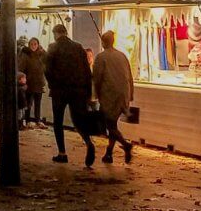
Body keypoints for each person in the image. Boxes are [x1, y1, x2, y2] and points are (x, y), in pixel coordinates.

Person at [44, 24, 96, 166]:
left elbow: (47, 70)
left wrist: (52, 84)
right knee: (78, 120)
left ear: (56, 34)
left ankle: (62, 153)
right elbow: (87, 71)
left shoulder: (53, 48)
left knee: (58, 122)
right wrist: (87, 92)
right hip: (78, 91)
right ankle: (88, 142)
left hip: (60, 91)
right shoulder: (78, 47)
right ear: (66, 33)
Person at [93, 31, 135, 164]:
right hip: (123, 95)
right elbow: (129, 75)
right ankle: (109, 153)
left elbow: (97, 79)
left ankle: (126, 145)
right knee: (113, 124)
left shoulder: (101, 57)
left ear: (103, 42)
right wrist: (130, 95)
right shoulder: (122, 56)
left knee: (109, 125)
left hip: (109, 95)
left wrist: (96, 95)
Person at [19, 37, 47, 128]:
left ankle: (38, 120)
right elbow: (22, 68)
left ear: (38, 45)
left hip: (39, 82)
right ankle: (27, 120)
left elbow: (46, 66)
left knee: (38, 103)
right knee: (28, 103)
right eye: (32, 44)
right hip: (30, 83)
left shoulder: (41, 54)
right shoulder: (26, 55)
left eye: (35, 44)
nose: (33, 46)